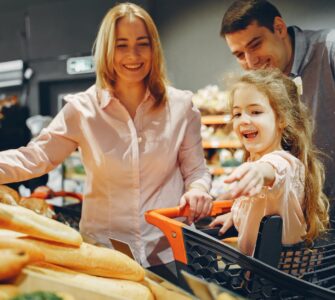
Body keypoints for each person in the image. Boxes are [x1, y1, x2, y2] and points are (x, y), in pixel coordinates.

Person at [0, 2, 212, 278]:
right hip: (104, 252)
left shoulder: (181, 106)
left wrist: (198, 190)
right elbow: (37, 157)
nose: (133, 55)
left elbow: (196, 170)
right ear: (107, 50)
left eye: (142, 43)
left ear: (154, 48)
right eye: (121, 45)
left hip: (166, 249)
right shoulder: (82, 109)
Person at [220, 0, 335, 215]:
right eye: (239, 55)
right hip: (311, 214)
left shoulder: (330, 48)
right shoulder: (262, 83)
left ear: (279, 28)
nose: (251, 61)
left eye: (255, 45)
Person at [209, 69, 329, 256]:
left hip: (280, 279)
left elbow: (273, 171)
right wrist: (235, 215)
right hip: (259, 276)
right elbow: (263, 205)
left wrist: (258, 172)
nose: (243, 120)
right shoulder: (255, 160)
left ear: (281, 119)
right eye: (237, 114)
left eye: (255, 112)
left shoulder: (286, 164)